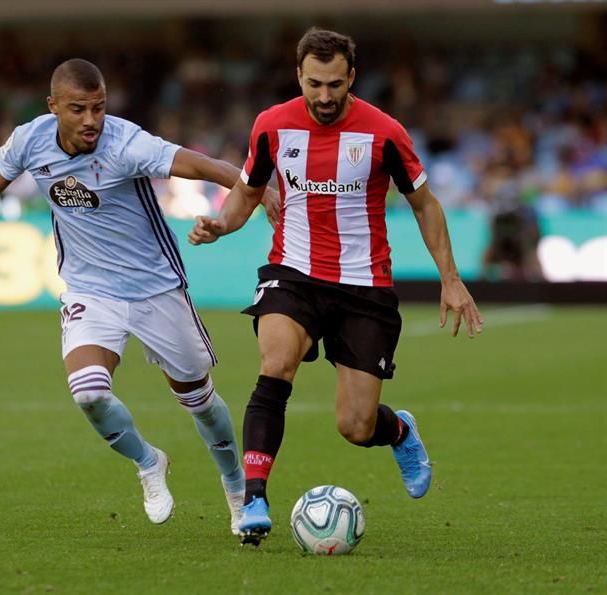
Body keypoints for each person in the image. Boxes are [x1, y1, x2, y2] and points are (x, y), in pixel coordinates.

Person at [0, 58, 277, 535]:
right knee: (90, 392)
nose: (91, 120)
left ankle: (237, 490)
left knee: (198, 401)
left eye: (98, 107)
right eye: (78, 109)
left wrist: (255, 187)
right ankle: (149, 462)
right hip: (91, 290)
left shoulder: (126, 142)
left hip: (156, 287)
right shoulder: (28, 142)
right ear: (53, 107)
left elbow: (200, 164)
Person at [188, 28, 484, 546]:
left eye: (333, 84)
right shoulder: (271, 127)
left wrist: (451, 280)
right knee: (275, 363)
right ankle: (254, 498)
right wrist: (221, 225)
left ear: (351, 77)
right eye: (313, 84)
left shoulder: (384, 132)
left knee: (355, 426)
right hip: (293, 272)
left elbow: (425, 205)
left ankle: (398, 431)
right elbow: (247, 193)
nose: (323, 96)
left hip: (363, 287)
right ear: (298, 77)